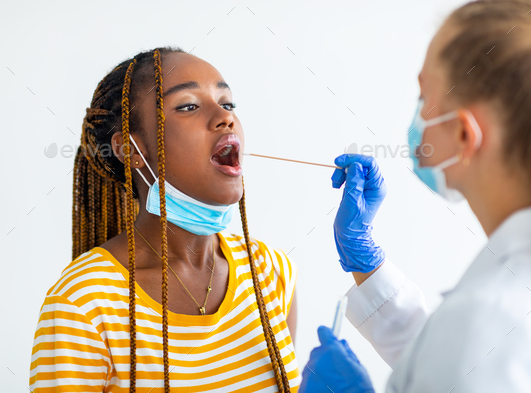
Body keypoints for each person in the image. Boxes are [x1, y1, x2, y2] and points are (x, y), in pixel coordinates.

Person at [29, 47, 300, 392]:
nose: (224, 117)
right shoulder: (83, 303)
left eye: (227, 103)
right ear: (132, 150)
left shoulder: (271, 272)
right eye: (188, 105)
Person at [300, 1, 531, 392]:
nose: (417, 118)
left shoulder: (491, 315)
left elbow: (466, 357)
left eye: (424, 99)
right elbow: (449, 364)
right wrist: (366, 259)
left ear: (463, 135)